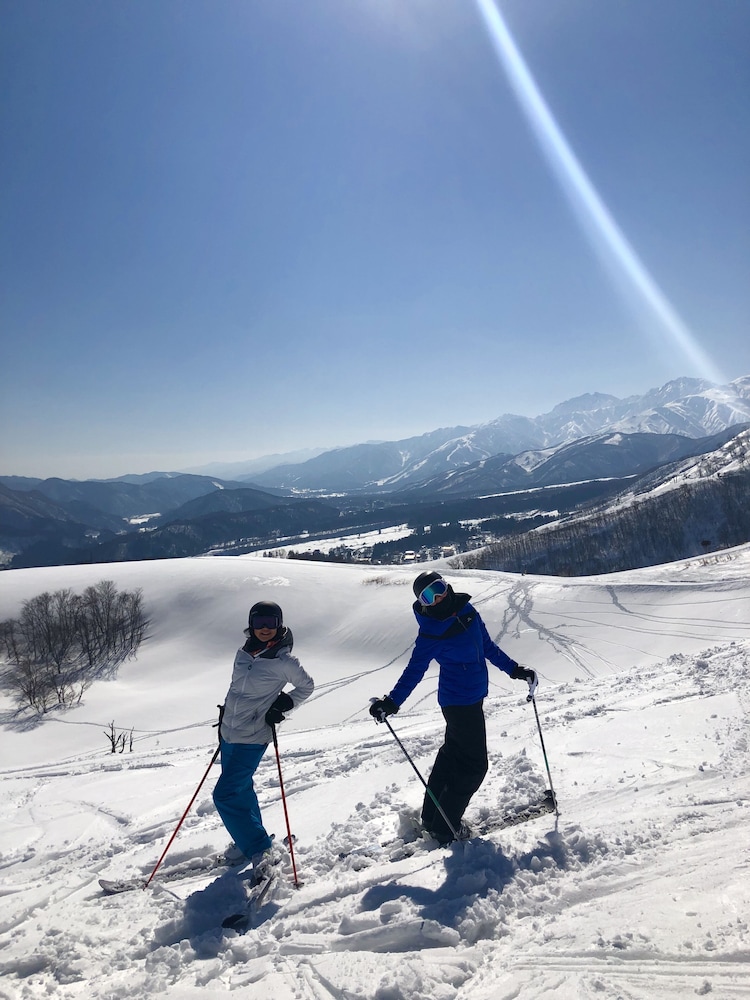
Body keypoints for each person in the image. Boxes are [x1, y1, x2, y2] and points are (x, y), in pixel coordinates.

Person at [369, 571, 537, 846]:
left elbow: (487, 647)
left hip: (473, 697)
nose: (437, 598)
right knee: (474, 767)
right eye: (428, 596)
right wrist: (392, 702)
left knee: (452, 756)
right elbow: (414, 670)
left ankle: (432, 818)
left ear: (447, 586)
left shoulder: (468, 612)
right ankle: (445, 829)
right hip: (458, 702)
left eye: (438, 588)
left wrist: (514, 670)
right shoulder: (430, 633)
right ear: (422, 603)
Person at [214, 600, 314, 881]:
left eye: (271, 622)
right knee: (241, 789)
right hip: (230, 732)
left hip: (253, 736)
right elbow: (236, 690)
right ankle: (247, 840)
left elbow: (307, 686)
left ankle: (260, 848)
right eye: (260, 622)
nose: (265, 628)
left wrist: (284, 704)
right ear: (251, 625)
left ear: (279, 625)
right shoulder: (244, 653)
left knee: (225, 795)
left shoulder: (284, 661)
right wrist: (225, 719)